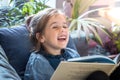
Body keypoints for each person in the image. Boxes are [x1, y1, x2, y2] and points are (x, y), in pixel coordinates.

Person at [24, 8, 80, 80]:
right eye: (55, 27)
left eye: (65, 26)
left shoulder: (73, 54)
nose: (63, 30)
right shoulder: (38, 62)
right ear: (41, 37)